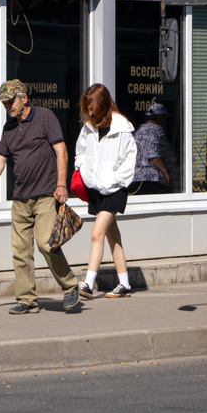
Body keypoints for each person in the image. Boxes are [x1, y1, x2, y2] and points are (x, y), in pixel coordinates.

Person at [0, 80, 81, 314]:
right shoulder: (9, 128)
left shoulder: (45, 117)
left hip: (45, 195)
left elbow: (61, 151)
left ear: (24, 98)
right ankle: (27, 300)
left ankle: (70, 285)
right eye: (5, 103)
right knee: (20, 251)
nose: (8, 106)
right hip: (20, 199)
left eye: (11, 101)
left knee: (46, 244)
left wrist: (62, 184)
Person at [74, 84, 138, 299]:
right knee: (113, 236)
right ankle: (125, 284)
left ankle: (88, 284)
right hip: (97, 187)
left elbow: (131, 159)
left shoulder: (122, 128)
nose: (90, 111)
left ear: (102, 103)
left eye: (92, 106)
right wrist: (84, 170)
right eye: (87, 106)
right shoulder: (89, 127)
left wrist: (116, 179)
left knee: (96, 233)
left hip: (115, 189)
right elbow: (81, 152)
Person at [132, 102, 180, 195]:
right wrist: (165, 173)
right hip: (153, 180)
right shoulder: (157, 131)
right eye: (165, 117)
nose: (166, 121)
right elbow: (152, 155)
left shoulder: (139, 131)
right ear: (160, 117)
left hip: (137, 179)